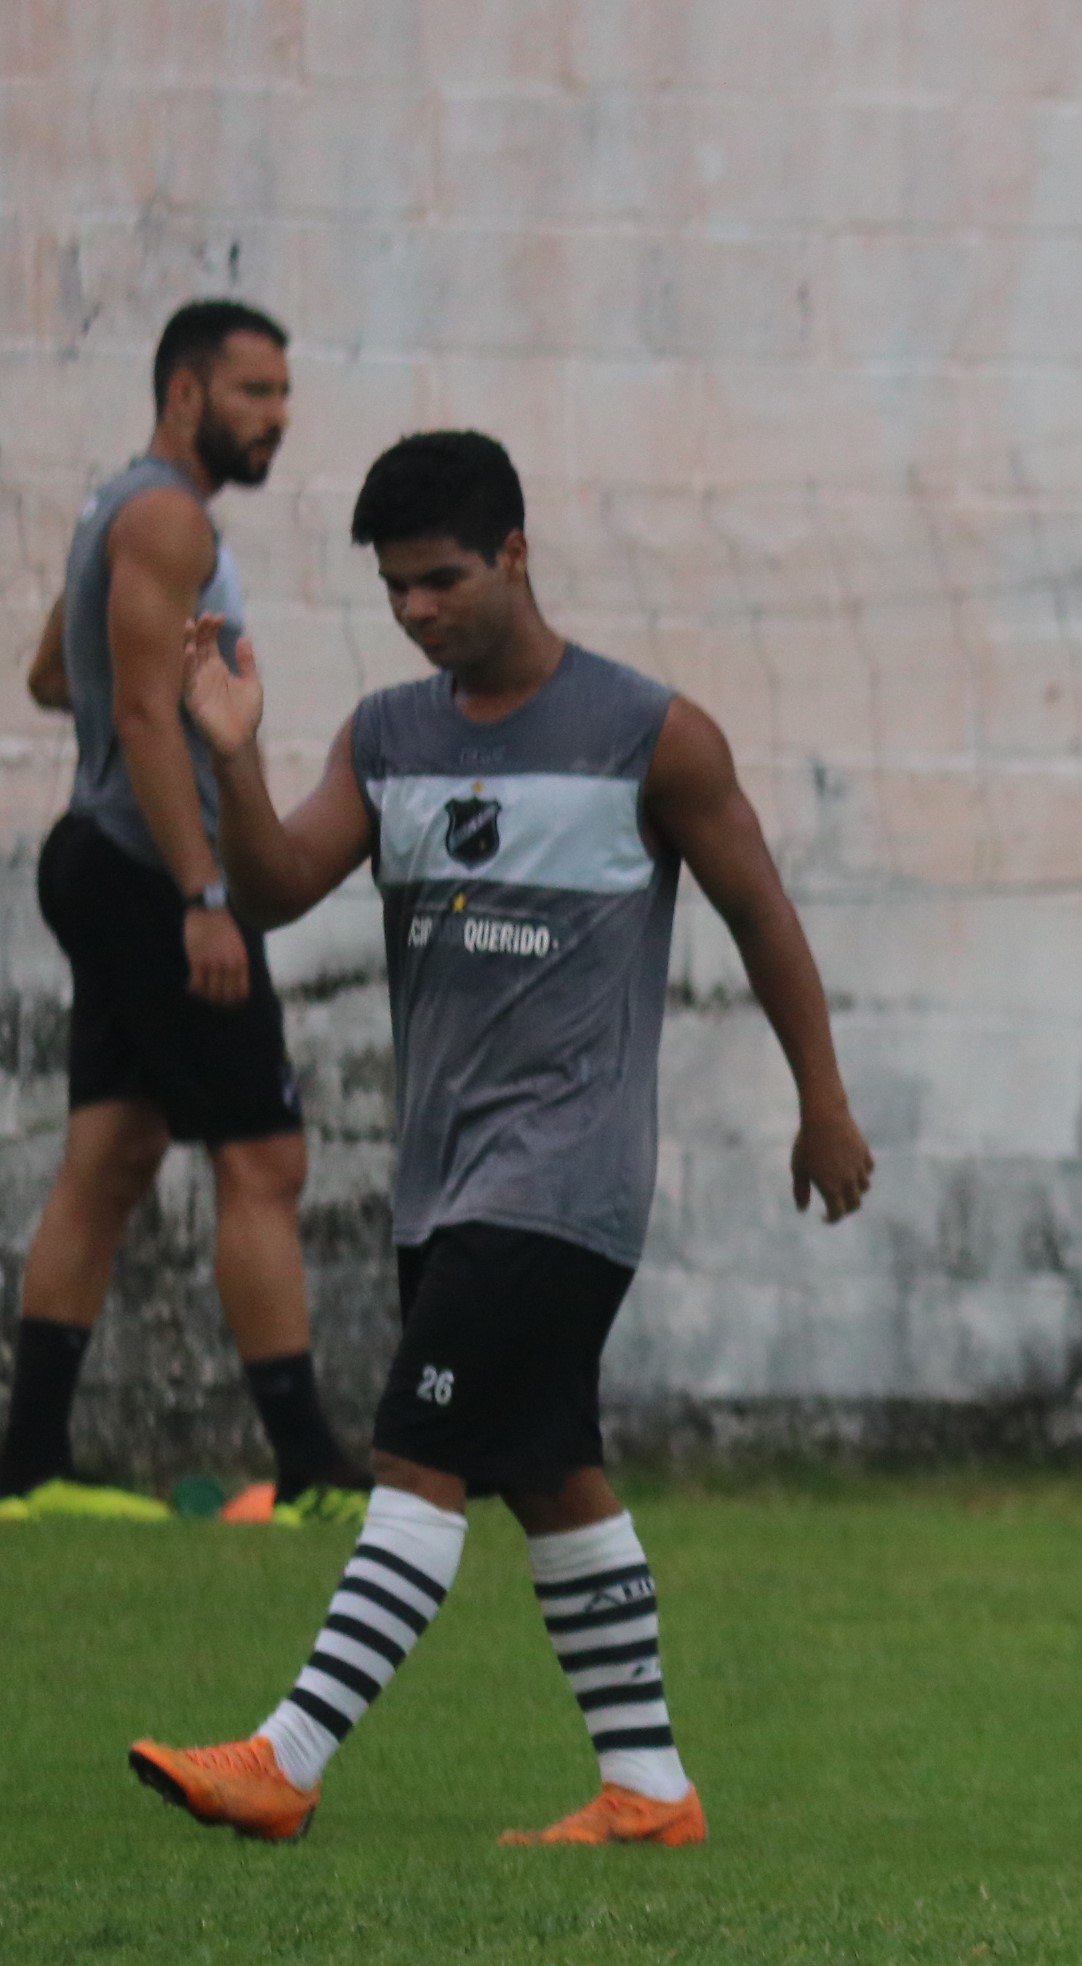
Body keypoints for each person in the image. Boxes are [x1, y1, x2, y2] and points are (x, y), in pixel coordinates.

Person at [125, 430, 875, 1846]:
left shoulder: (650, 734)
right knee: (546, 1468)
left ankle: (283, 1759)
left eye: (443, 580)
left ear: (515, 555)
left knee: (418, 1447)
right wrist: (230, 754)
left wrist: (820, 1099)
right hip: (444, 1179)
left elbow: (762, 914)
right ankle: (648, 1788)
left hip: (564, 1181)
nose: (418, 612)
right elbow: (277, 887)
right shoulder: (388, 735)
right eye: (396, 589)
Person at [2, 298, 362, 1526]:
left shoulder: (125, 511)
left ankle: (27, 1470)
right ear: (185, 394)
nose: (277, 418)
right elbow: (147, 716)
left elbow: (58, 676)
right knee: (263, 1155)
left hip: (100, 860)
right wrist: (208, 896)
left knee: (111, 1155)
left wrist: (121, 695)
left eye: (284, 396)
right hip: (155, 876)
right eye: (254, 392)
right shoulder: (165, 517)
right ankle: (314, 1469)